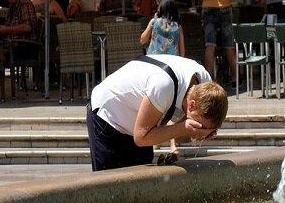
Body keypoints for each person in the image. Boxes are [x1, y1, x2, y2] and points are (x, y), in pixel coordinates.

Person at [87, 54, 227, 171]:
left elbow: (176, 134)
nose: (199, 128)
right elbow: (141, 137)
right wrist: (183, 128)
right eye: (199, 125)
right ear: (191, 105)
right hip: (108, 115)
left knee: (142, 187)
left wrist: (199, 133)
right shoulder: (163, 86)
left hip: (141, 123)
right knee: (110, 185)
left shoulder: (205, 85)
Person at [0, 0, 38, 100]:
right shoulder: (12, 7)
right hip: (12, 46)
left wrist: (6, 30)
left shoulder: (24, 4)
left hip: (25, 47)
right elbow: (7, 27)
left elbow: (27, 27)